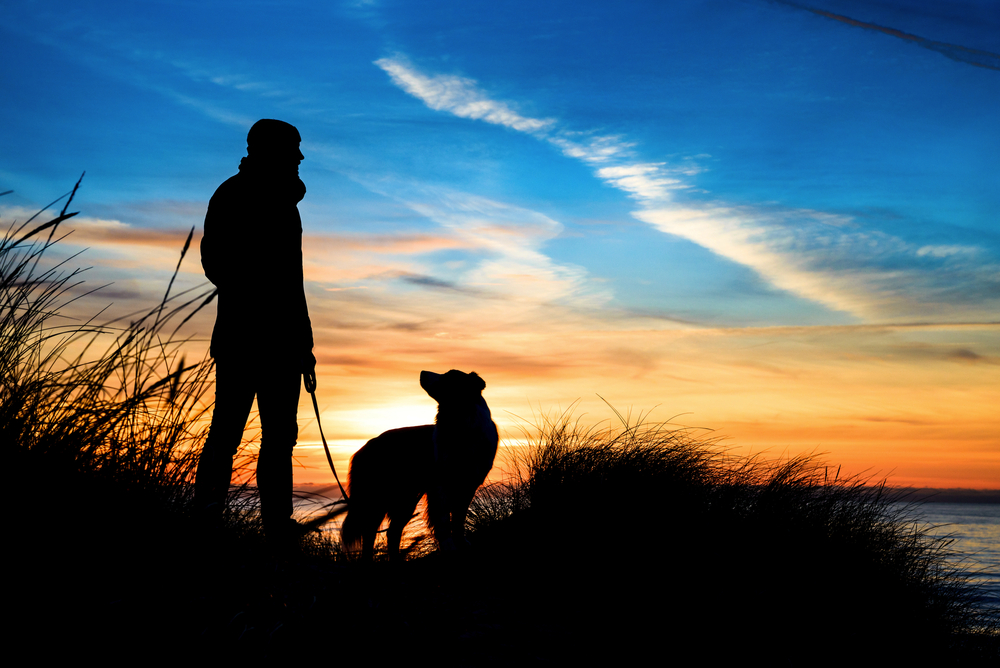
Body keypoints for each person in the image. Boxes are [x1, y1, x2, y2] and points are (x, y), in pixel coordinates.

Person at [195, 119, 317, 541]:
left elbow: (294, 282)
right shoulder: (233, 195)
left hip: (284, 345)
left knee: (280, 438)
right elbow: (215, 264)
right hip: (243, 340)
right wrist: (260, 296)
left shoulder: (288, 206)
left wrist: (304, 342)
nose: (301, 157)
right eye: (293, 149)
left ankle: (276, 529)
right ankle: (206, 522)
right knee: (226, 433)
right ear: (270, 151)